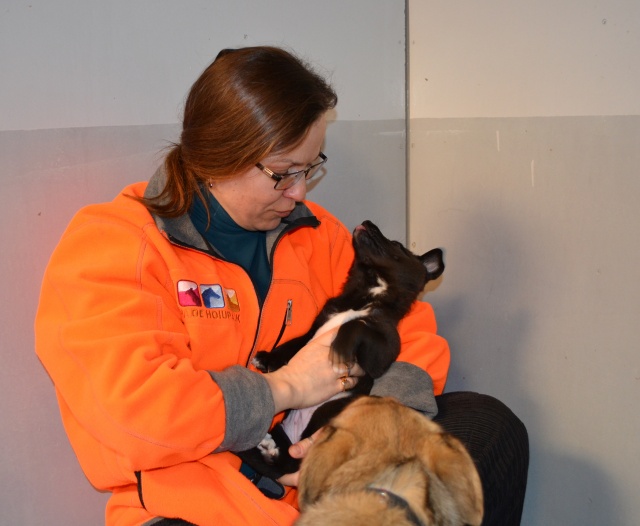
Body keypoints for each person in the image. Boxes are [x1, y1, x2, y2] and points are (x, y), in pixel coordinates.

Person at [35, 46, 527, 526]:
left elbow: (410, 333)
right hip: (198, 506)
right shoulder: (114, 243)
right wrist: (284, 387)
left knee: (488, 424)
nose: (299, 192)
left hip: (327, 490)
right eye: (283, 173)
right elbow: (139, 412)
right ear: (217, 155)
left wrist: (363, 431)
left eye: (310, 168)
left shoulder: (317, 233)